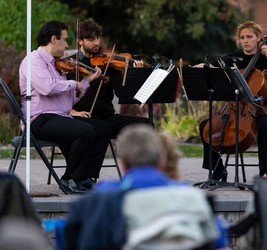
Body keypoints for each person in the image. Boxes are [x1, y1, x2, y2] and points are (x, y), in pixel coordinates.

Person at [61, 125, 225, 250]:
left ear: (122, 164)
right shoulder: (193, 198)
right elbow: (217, 240)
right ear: (162, 161)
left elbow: (69, 239)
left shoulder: (100, 199)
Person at [19, 20, 112, 193]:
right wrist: (72, 83)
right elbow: (47, 87)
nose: (67, 44)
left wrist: (86, 82)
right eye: (65, 39)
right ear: (54, 39)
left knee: (103, 128)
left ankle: (83, 176)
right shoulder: (33, 60)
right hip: (39, 118)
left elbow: (69, 100)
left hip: (58, 116)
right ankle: (69, 178)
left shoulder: (56, 64)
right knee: (85, 131)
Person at [198, 20, 267, 180]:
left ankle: (265, 167)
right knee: (206, 125)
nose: (245, 40)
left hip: (259, 111)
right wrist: (194, 69)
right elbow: (209, 67)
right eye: (242, 37)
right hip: (233, 109)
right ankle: (217, 170)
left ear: (259, 38)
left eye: (249, 36)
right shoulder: (233, 59)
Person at [67, 19, 150, 139]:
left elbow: (122, 94)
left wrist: (135, 73)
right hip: (81, 117)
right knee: (101, 128)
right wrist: (72, 112)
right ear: (80, 41)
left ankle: (134, 158)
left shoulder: (109, 63)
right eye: (91, 39)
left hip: (107, 117)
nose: (97, 43)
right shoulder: (71, 64)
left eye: (98, 38)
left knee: (146, 124)